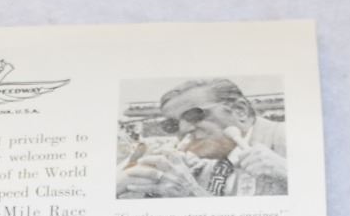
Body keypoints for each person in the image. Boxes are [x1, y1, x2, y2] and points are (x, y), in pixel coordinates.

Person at [117, 78, 288, 199]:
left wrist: (189, 192)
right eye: (172, 124)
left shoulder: (289, 140)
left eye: (194, 115)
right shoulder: (199, 163)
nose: (184, 129)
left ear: (240, 110)